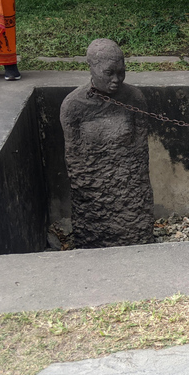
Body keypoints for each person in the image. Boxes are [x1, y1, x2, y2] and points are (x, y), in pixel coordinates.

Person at [60, 39, 155, 248]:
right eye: (109, 73)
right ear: (91, 68)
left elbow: (140, 152)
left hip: (128, 186)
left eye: (121, 72)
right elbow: (74, 158)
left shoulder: (134, 98)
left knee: (134, 232)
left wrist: (129, 190)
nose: (116, 79)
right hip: (93, 191)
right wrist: (92, 192)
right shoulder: (73, 106)